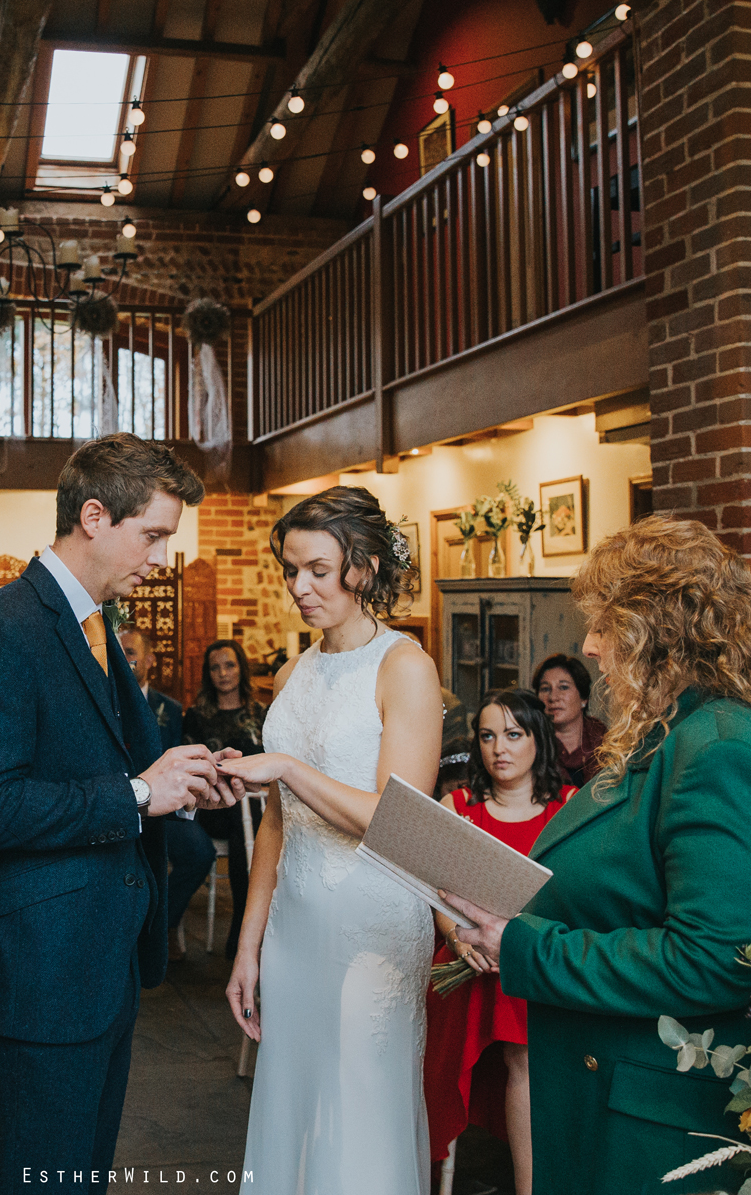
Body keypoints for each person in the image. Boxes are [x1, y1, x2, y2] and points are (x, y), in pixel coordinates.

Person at [444, 516, 751, 1195]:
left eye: (603, 625)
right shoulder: (675, 731)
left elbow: (718, 957)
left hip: (661, 1117)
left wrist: (526, 946)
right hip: (620, 1088)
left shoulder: (720, 744)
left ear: (654, 630)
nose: (590, 646)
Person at [0, 432, 230, 1193]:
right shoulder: (2, 630)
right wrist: (140, 794)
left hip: (97, 960)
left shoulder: (93, 622)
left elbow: (115, 764)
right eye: (154, 536)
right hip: (39, 974)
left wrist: (187, 780)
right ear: (95, 517)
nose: (161, 558)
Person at [220, 485, 445, 1193]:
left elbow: (394, 818)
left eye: (318, 569)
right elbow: (277, 825)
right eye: (290, 570)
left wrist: (286, 766)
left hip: (373, 924)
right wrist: (249, 942)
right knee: (294, 1102)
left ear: (365, 567)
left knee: (359, 1107)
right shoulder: (296, 671)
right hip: (296, 923)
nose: (299, 587)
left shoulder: (404, 667)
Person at [425, 690, 574, 1195]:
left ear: (539, 740)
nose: (499, 749)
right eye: (487, 736)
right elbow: (439, 897)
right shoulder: (458, 806)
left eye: (513, 735)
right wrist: (458, 938)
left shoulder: (570, 808)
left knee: (523, 1045)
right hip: (465, 963)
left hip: (533, 960)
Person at [119, 626, 214, 963]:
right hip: (119, 806)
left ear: (149, 659)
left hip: (166, 813)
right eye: (119, 651)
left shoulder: (170, 709)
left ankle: (161, 924)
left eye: (130, 651)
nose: (124, 658)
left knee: (201, 852)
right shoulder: (103, 699)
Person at [182, 638, 268, 957]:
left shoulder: (261, 713)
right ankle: (249, 933)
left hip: (257, 806)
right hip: (214, 807)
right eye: (215, 668)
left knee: (248, 815)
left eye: (229, 665)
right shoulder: (197, 716)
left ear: (241, 669)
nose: (223, 673)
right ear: (208, 674)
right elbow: (191, 770)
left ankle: (243, 934)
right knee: (240, 814)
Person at [531, 653, 606, 784]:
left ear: (583, 698)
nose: (553, 697)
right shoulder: (530, 744)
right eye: (545, 688)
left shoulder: (607, 743)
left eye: (563, 687)